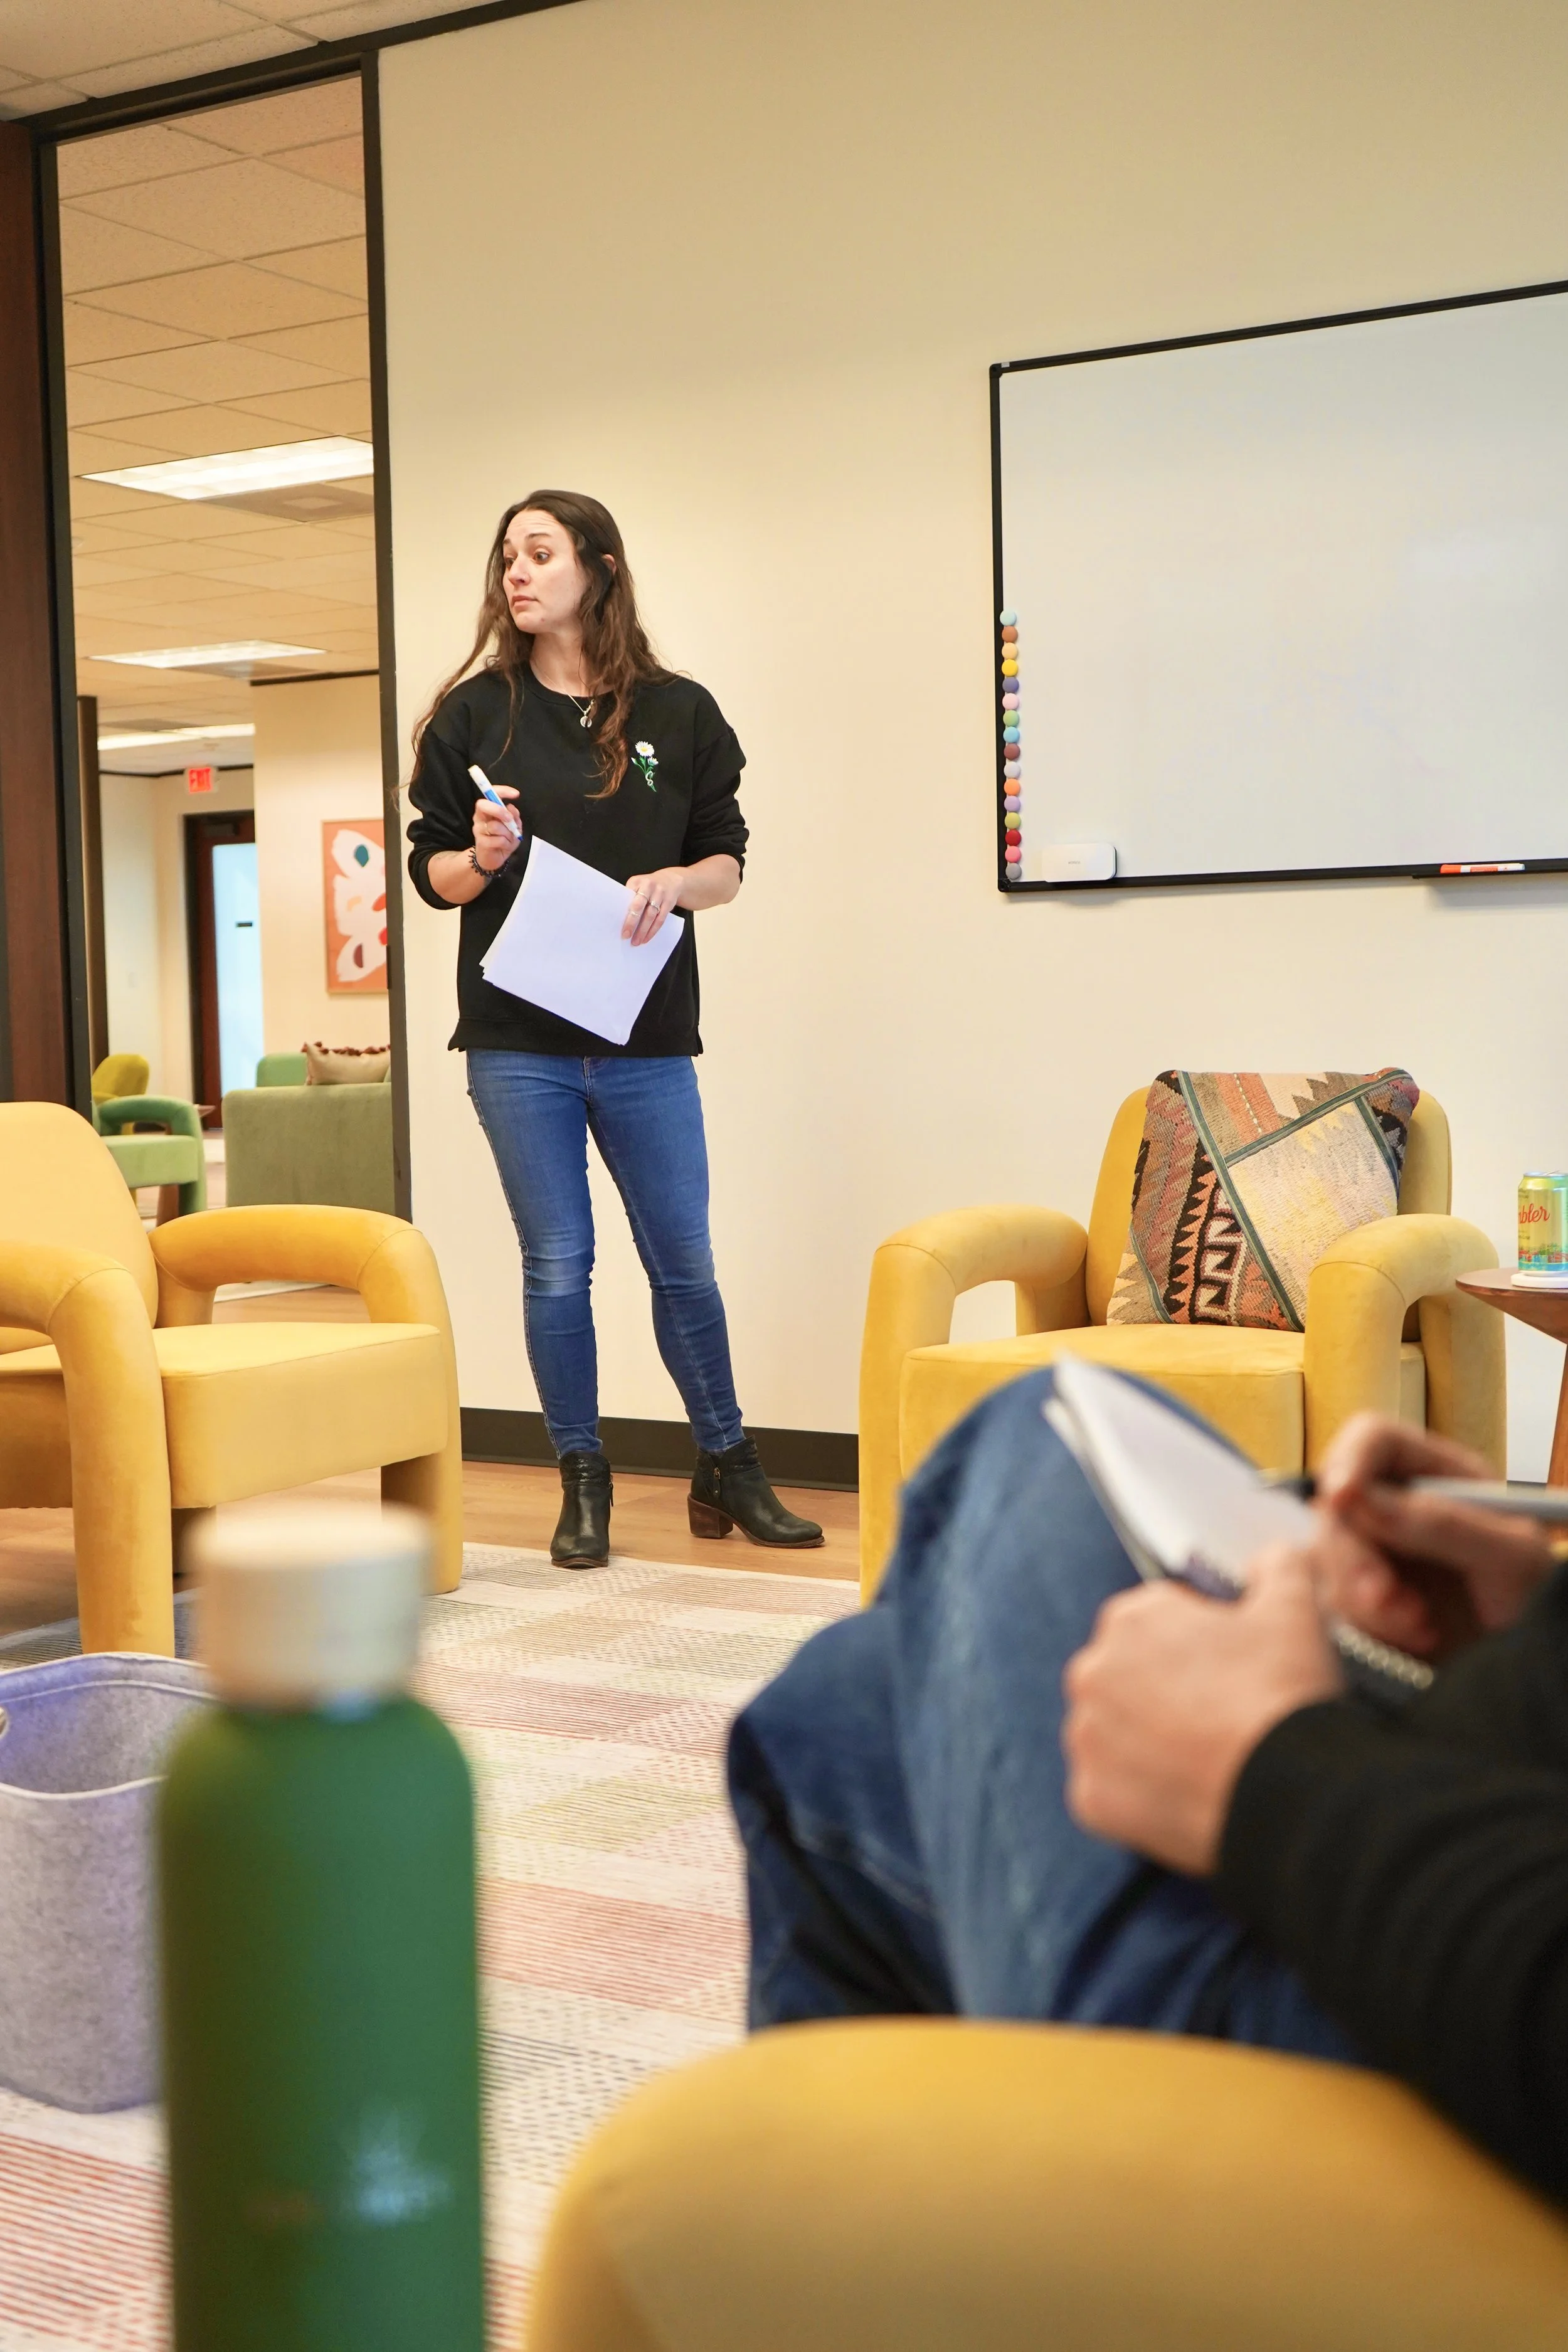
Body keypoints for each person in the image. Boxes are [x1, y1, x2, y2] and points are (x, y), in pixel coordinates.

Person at [729, 1369, 1568, 2202]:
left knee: (1037, 1427)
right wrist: (1526, 1640)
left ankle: (1109, 2263)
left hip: (1456, 2039)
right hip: (1490, 1831)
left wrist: (1268, 1768)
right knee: (834, 1717)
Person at [407, 489, 821, 1568]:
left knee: (684, 1260)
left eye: (539, 552)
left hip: (643, 1038)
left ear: (598, 565)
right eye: (506, 556)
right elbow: (434, 873)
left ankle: (727, 1463)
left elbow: (727, 863)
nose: (517, 572)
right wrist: (482, 860)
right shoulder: (473, 717)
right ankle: (580, 1477)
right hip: (516, 1042)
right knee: (559, 1262)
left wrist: (678, 881)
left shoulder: (679, 713)